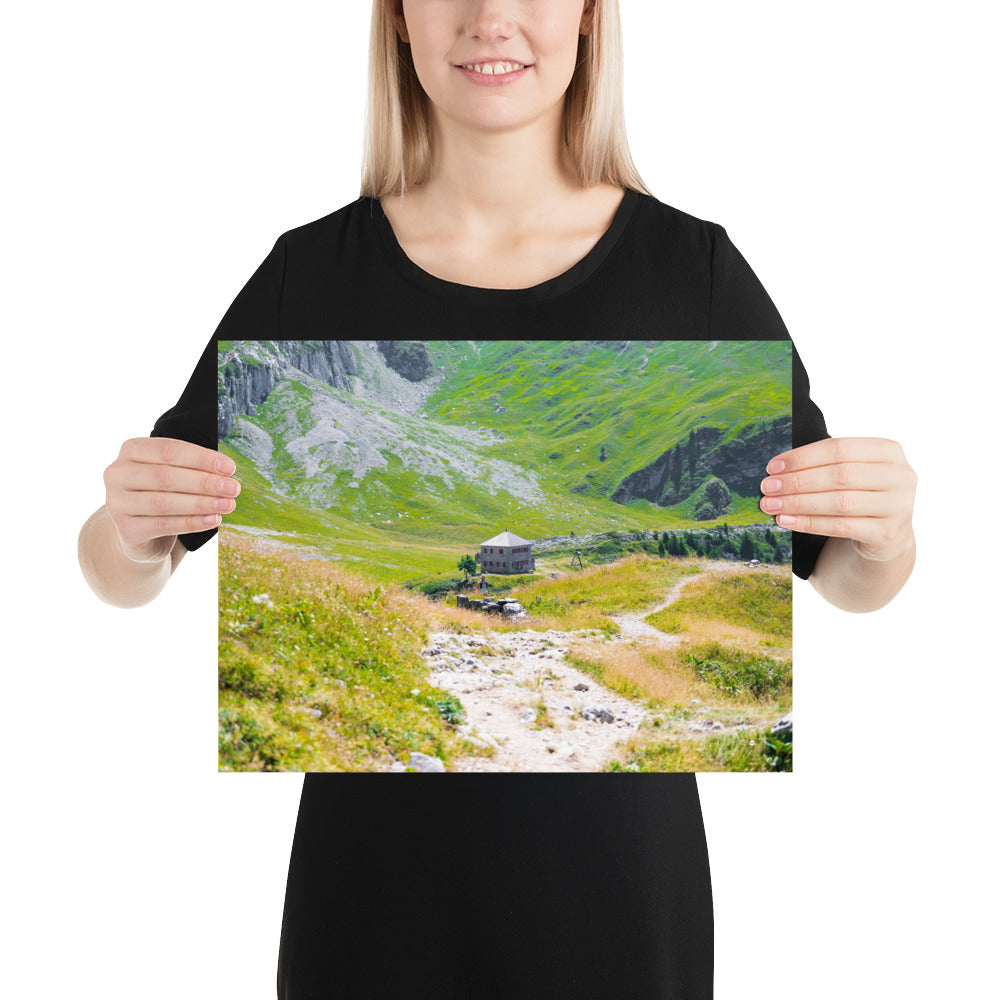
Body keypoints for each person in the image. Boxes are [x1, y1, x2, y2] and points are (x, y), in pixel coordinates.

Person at [77, 1, 916, 996]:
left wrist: (886, 532)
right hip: (369, 908)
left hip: (619, 909)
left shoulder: (694, 271)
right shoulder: (309, 273)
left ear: (591, 18)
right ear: (396, 19)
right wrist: (130, 533)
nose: (491, 18)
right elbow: (121, 568)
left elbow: (845, 578)